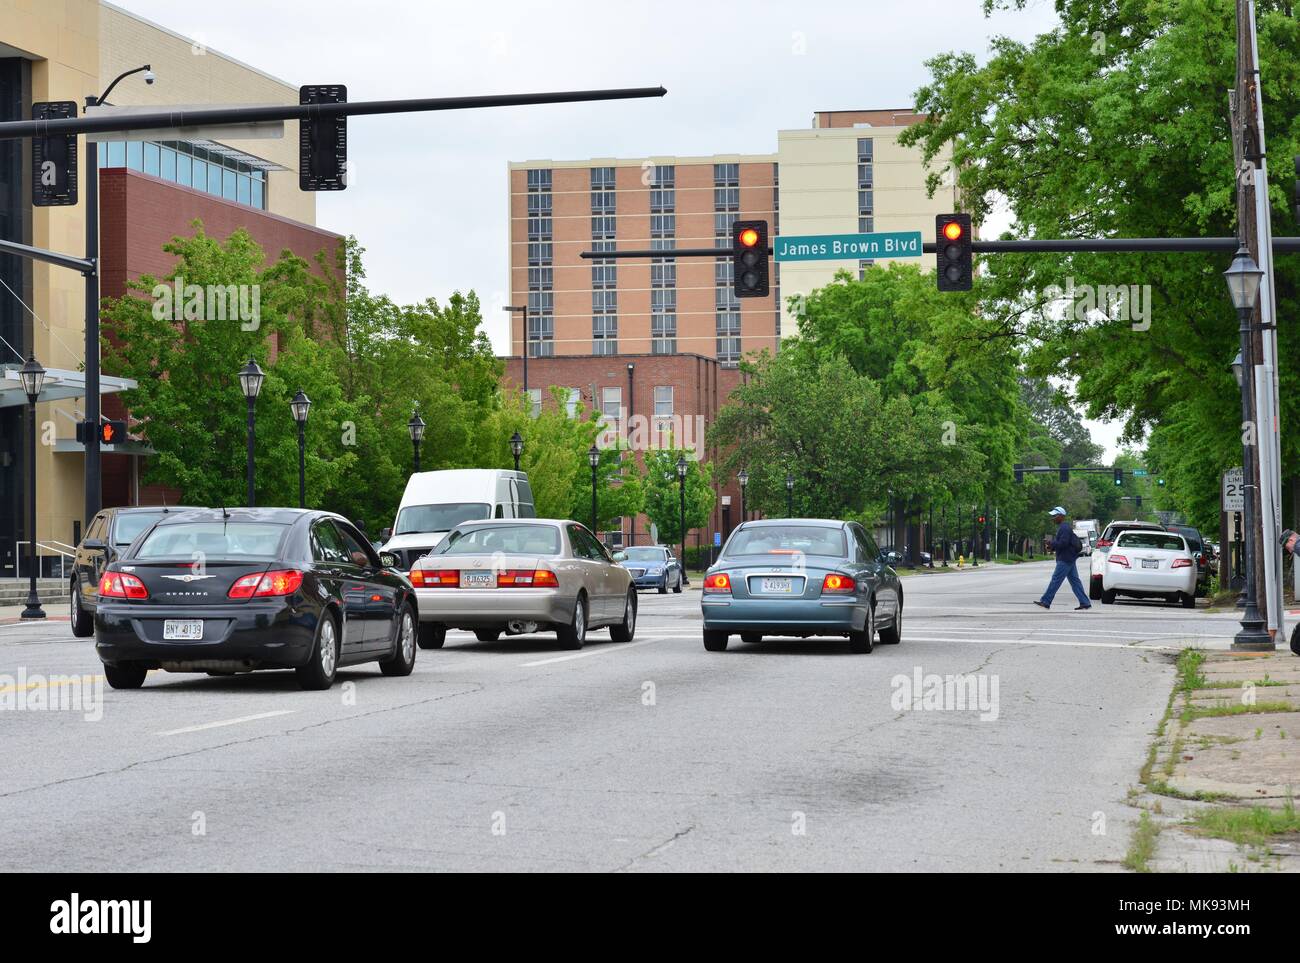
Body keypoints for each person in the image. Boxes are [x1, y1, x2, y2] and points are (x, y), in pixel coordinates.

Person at [1034, 507, 1092, 611]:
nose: (1052, 518)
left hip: (1065, 559)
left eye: (1054, 516)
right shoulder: (1063, 527)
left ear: (1061, 516)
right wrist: (1051, 546)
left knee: (1055, 580)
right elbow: (1062, 543)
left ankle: (1046, 601)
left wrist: (1051, 543)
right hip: (1069, 558)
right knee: (1075, 581)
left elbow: (1063, 543)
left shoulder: (1064, 528)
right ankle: (1085, 602)